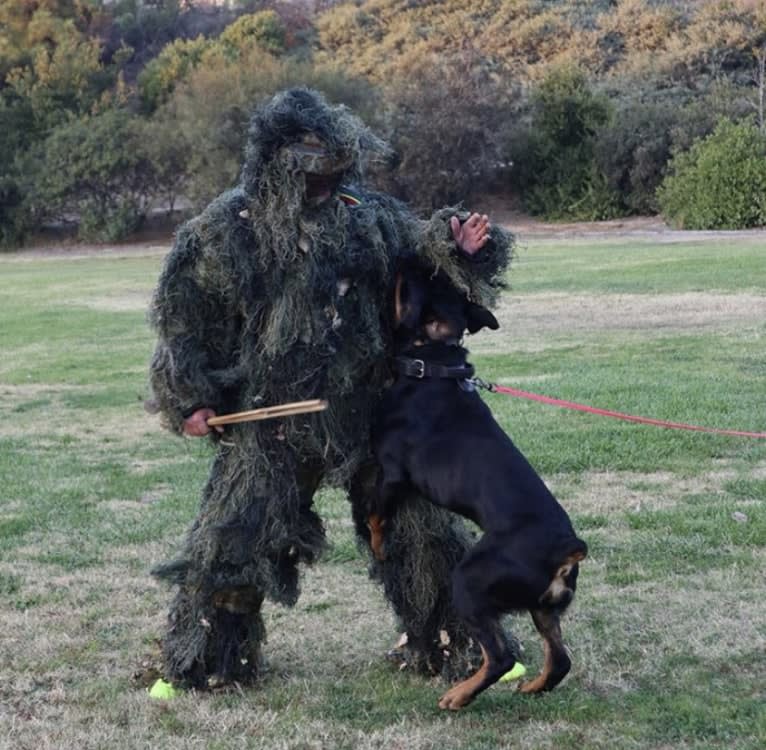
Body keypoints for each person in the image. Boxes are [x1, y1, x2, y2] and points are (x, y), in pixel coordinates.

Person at [148, 87, 515, 688]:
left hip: (372, 411)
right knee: (236, 537)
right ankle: (209, 664)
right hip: (271, 422)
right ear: (273, 168)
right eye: (312, 177)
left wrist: (462, 246)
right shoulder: (224, 232)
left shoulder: (365, 217)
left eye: (335, 175)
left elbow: (426, 249)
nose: (324, 188)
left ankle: (461, 649)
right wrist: (190, 399)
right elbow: (184, 323)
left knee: (420, 530)